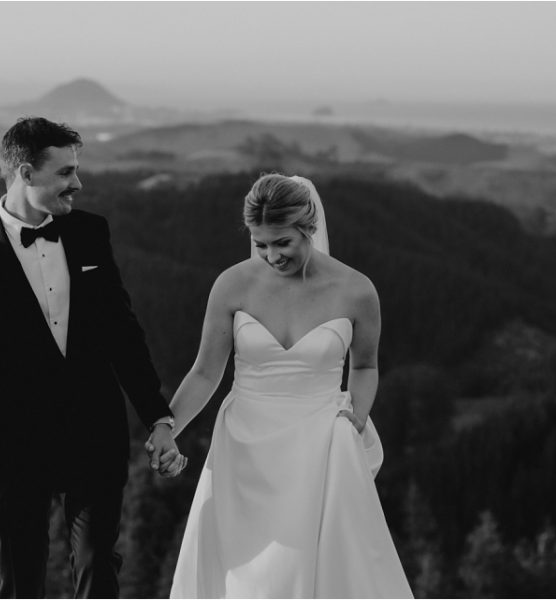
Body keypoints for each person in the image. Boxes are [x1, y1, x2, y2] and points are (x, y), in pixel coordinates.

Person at [0, 117, 186, 598]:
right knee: (22, 578)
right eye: (66, 172)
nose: (78, 182)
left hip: (96, 431)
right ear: (26, 174)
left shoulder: (91, 232)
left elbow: (122, 333)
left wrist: (158, 416)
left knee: (97, 565)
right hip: (15, 444)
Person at [167, 174, 413, 598]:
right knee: (243, 571)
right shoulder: (232, 285)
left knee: (310, 568)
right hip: (243, 446)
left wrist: (356, 417)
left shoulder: (356, 290)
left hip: (319, 444)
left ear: (309, 227)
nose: (271, 256)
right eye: (261, 244)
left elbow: (366, 364)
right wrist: (166, 430)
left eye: (283, 243)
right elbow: (206, 371)